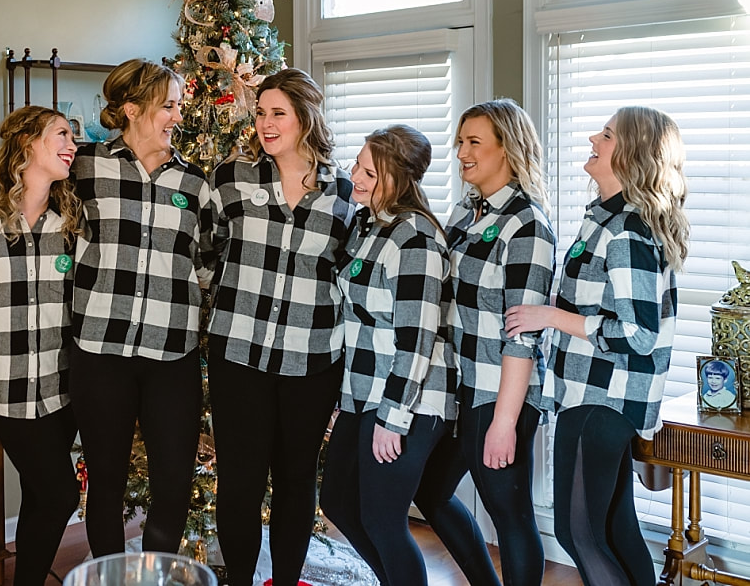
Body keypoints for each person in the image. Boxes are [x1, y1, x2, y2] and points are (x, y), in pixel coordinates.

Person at [505, 106, 689, 586]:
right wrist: (559, 306)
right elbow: (601, 302)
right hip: (591, 396)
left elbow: (640, 334)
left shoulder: (626, 230)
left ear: (629, 155)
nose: (592, 138)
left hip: (600, 400)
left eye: (605, 135)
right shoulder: (607, 220)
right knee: (614, 526)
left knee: (576, 531)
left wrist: (551, 316)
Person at [206, 68, 356, 586]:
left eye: (278, 114)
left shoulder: (345, 192)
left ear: (306, 117)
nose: (266, 124)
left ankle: (286, 582)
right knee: (241, 483)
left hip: (312, 359)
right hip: (238, 356)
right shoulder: (232, 178)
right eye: (261, 113)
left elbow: (348, 270)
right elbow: (207, 250)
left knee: (296, 482)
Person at [67, 58, 212, 556]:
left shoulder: (196, 184)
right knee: (105, 481)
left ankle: (159, 573)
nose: (178, 115)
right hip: (99, 350)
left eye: (179, 105)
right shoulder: (84, 166)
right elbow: (34, 207)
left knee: (172, 482)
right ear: (131, 109)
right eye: (167, 106)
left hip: (172, 354)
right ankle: (108, 572)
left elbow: (209, 258)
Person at [414, 98, 556, 586]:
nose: (461, 153)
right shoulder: (463, 211)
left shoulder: (528, 225)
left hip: (500, 391)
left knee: (510, 514)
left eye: (474, 142)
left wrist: (504, 421)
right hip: (459, 387)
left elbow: (524, 335)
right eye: (460, 142)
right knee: (431, 493)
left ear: (508, 149)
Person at [319, 126, 457, 586]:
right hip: (363, 390)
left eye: (367, 171)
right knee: (337, 500)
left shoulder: (416, 239)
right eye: (357, 164)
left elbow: (416, 339)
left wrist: (392, 417)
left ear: (396, 179)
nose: (353, 175)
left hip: (409, 400)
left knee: (382, 518)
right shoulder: (365, 225)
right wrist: (345, 400)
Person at [0, 106, 80, 586]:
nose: (72, 145)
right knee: (60, 493)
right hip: (5, 386)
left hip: (64, 385)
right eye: (62, 135)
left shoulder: (74, 219)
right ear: (27, 145)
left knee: (38, 493)